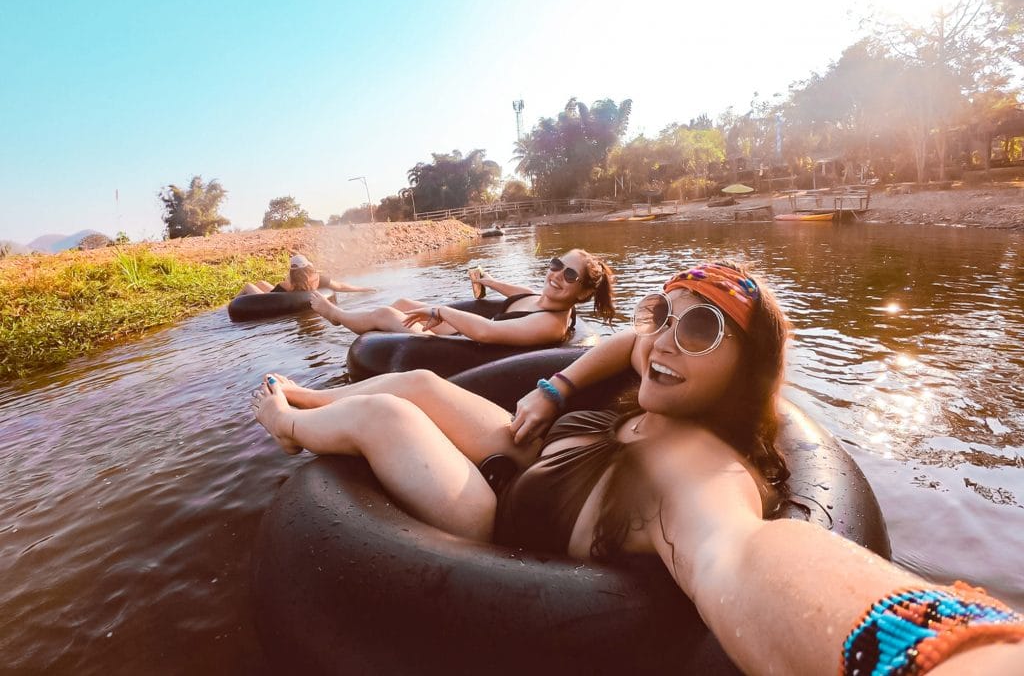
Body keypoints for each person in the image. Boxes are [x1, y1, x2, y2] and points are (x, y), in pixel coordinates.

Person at [251, 261, 1024, 675]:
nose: (661, 341)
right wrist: (557, 386)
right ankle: (318, 395)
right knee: (420, 384)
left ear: (746, 371)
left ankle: (291, 425)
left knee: (390, 415)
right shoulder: (652, 367)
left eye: (699, 327)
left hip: (501, 506)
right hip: (546, 446)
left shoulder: (698, 463)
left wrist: (947, 650)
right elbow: (625, 342)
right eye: (664, 313)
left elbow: (741, 557)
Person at [308, 248, 615, 347]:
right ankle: (350, 318)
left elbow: (488, 331)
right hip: (464, 335)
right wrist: (488, 280)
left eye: (570, 275)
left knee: (387, 316)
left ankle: (337, 317)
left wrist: (440, 310)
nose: (557, 275)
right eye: (556, 265)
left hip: (466, 348)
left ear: (584, 292)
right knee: (401, 303)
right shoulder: (541, 298)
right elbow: (518, 291)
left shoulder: (551, 324)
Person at [237, 254, 375, 296]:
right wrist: (363, 289)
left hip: (268, 300)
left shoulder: (288, 284)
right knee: (261, 283)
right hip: (277, 295)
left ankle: (231, 304)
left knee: (249, 285)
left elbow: (273, 295)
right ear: (309, 267)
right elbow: (341, 286)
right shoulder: (318, 279)